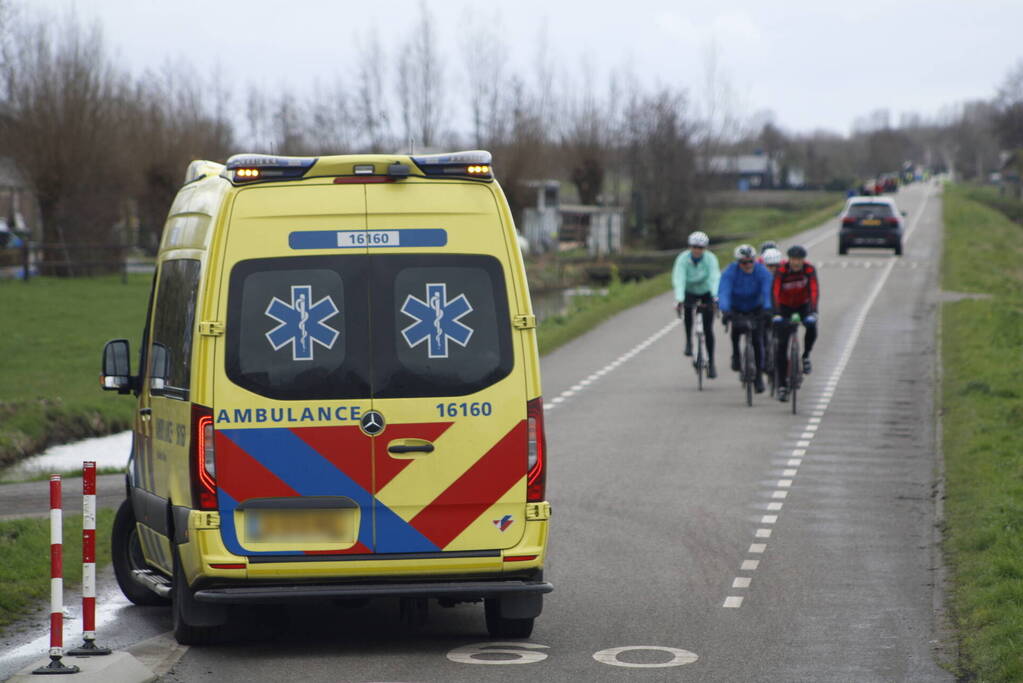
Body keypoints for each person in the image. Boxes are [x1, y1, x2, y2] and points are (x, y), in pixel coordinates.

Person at [718, 244, 773, 393]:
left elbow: (767, 290)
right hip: (737, 308)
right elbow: (724, 291)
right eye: (744, 262)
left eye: (750, 261)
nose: (748, 265)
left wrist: (768, 308)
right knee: (736, 332)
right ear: (738, 262)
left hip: (756, 308)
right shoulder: (730, 271)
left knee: (757, 341)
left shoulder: (761, 271)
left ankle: (759, 377)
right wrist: (725, 310)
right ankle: (736, 355)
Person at [773, 244, 820, 402]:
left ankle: (806, 356)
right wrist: (777, 313)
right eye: (793, 259)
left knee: (812, 327)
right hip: (785, 307)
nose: (796, 263)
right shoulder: (781, 270)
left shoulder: (809, 270)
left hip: (803, 306)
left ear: (803, 260)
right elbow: (775, 291)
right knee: (781, 347)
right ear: (789, 259)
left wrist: (813, 311)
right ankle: (781, 386)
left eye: (799, 260)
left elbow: (814, 290)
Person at [672, 230, 720, 378]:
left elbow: (714, 276)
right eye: (694, 247)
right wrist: (679, 298)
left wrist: (714, 296)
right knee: (687, 311)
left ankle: (711, 363)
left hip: (706, 291)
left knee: (708, 329)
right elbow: (679, 278)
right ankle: (688, 342)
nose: (697, 250)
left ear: (705, 248)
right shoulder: (682, 259)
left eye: (700, 248)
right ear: (690, 247)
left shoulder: (710, 259)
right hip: (689, 291)